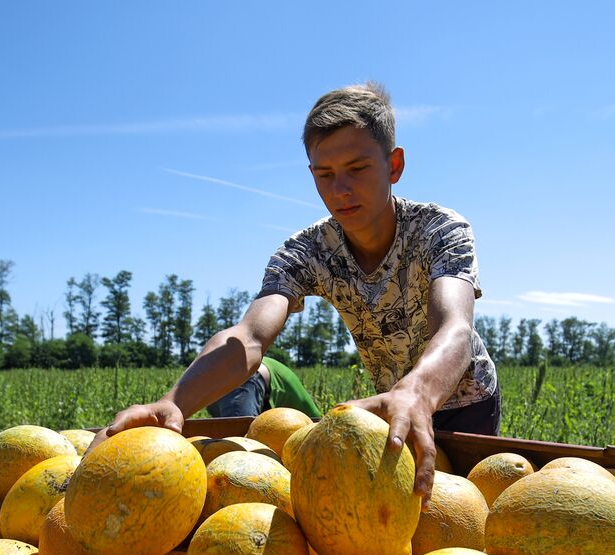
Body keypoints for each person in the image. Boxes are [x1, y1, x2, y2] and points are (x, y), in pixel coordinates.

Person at [97, 81, 499, 496]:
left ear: (393, 166)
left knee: (458, 509)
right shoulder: (305, 252)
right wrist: (175, 402)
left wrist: (417, 391)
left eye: (357, 169)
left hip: (464, 401)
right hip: (393, 401)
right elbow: (249, 337)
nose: (340, 190)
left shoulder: (439, 229)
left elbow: (455, 328)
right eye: (325, 175)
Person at [207, 354, 323, 420]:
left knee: (223, 441)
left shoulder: (306, 412)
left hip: (211, 377)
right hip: (246, 379)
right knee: (240, 444)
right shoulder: (313, 421)